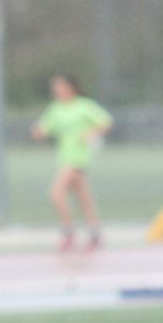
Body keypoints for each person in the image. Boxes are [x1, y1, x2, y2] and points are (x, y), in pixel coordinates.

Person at [31, 73, 113, 251]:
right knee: (83, 196)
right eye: (55, 87)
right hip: (64, 157)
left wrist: (91, 133)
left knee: (56, 192)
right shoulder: (55, 109)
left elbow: (105, 122)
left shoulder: (84, 106)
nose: (56, 90)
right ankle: (95, 232)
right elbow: (45, 128)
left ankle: (68, 232)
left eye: (60, 86)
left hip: (79, 157)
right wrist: (38, 132)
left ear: (71, 87)